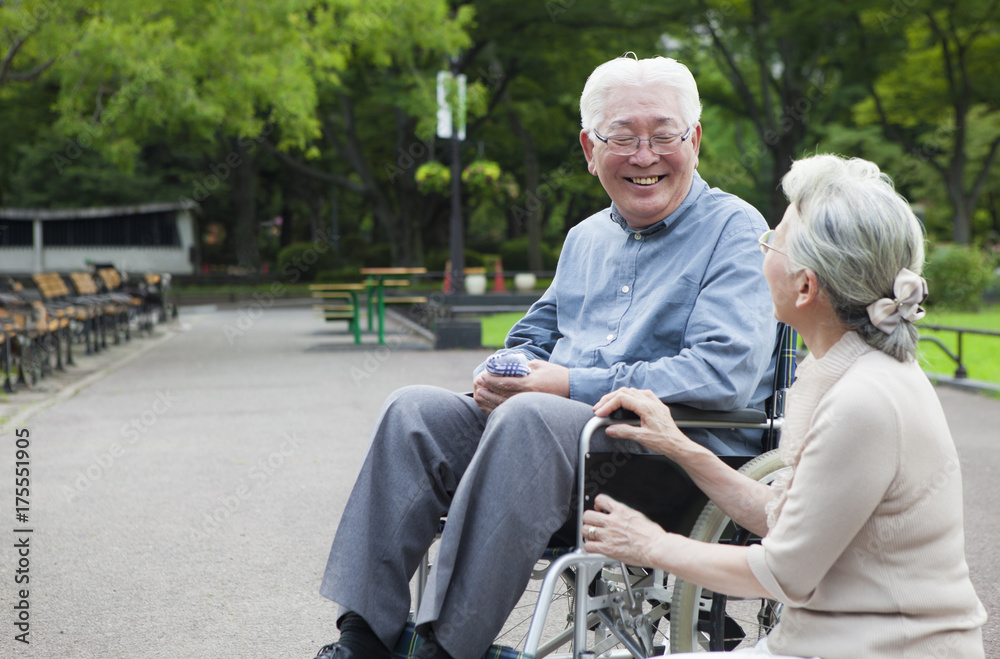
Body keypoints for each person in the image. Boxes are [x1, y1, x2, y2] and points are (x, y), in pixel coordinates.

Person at [314, 54, 779, 659]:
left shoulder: (736, 229)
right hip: (547, 451)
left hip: (672, 460)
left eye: (663, 135)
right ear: (590, 148)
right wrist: (501, 373)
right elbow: (532, 337)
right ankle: (363, 639)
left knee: (532, 417)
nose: (644, 155)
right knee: (414, 411)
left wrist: (565, 385)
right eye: (622, 137)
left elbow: (724, 374)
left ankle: (444, 650)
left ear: (695, 140)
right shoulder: (585, 237)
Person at [582, 154, 988, 658]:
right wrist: (680, 446)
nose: (762, 251)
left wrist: (648, 544)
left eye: (773, 239)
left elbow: (783, 572)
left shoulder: (863, 400)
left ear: (806, 286)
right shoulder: (854, 372)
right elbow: (786, 518)